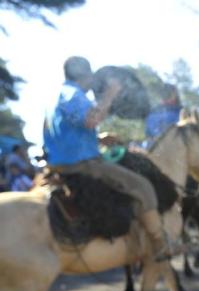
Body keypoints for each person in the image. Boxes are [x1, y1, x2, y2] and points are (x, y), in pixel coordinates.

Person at [43, 56, 182, 261]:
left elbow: (68, 132)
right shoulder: (74, 95)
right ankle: (160, 244)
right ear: (86, 75)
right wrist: (110, 94)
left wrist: (99, 138)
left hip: (62, 164)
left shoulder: (60, 96)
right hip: (82, 166)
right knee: (142, 186)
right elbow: (91, 119)